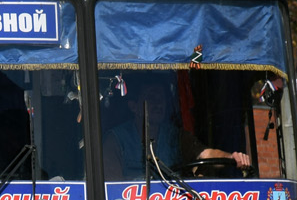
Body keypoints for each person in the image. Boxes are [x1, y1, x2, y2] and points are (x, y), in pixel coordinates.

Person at [101, 71, 250, 179]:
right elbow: (112, 189)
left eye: (161, 98)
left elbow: (206, 154)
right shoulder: (115, 140)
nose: (158, 104)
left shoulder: (176, 137)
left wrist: (231, 156)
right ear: (133, 106)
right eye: (151, 98)